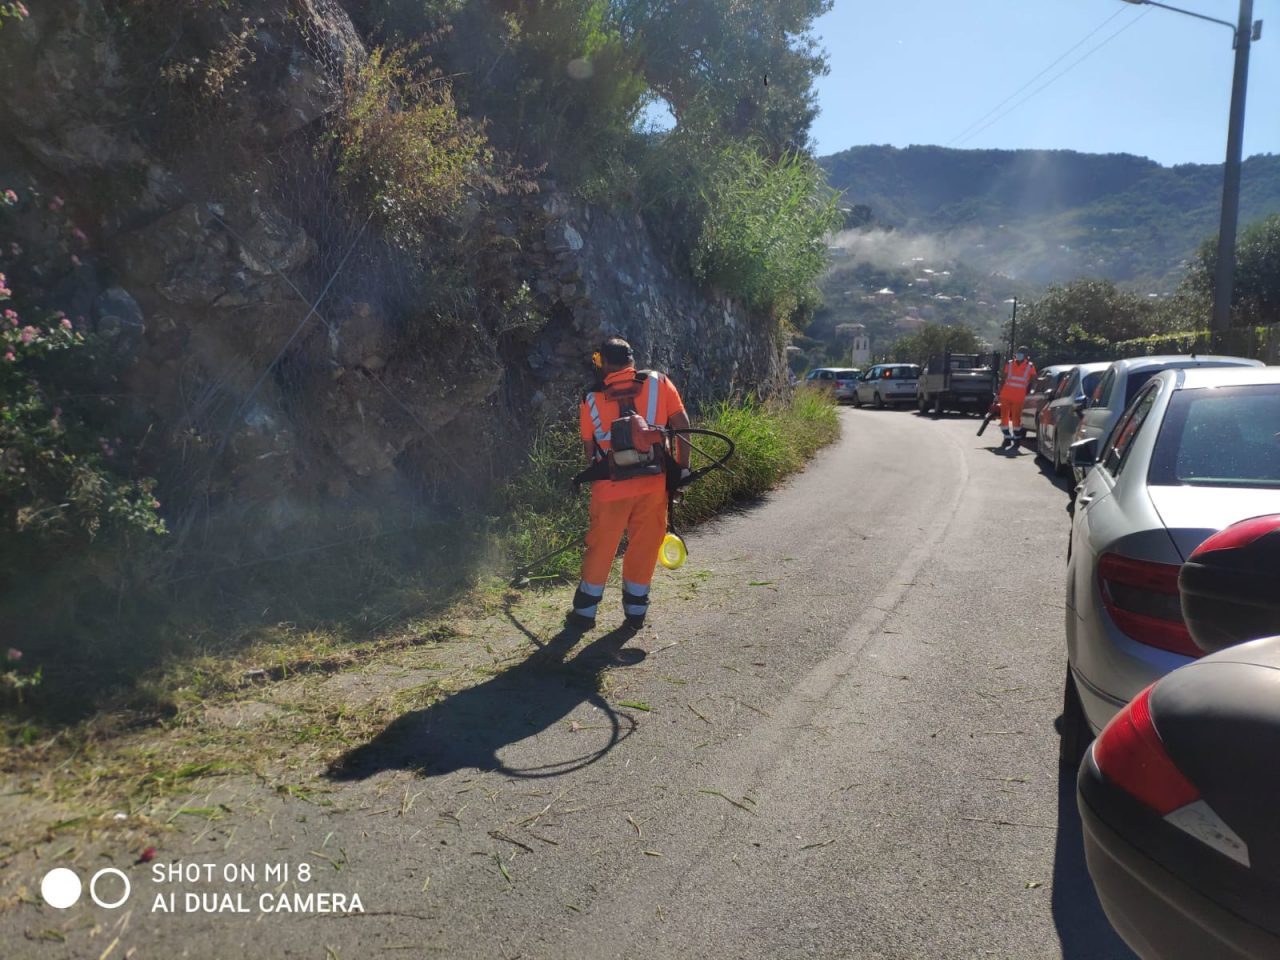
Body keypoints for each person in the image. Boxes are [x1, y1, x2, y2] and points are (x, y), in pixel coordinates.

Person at [568, 337, 690, 633]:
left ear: (604, 363)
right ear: (631, 361)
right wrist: (682, 469)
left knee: (601, 547)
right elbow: (682, 424)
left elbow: (590, 451)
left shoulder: (590, 399)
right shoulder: (660, 382)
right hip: (652, 486)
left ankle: (584, 613)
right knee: (645, 545)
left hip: (610, 488)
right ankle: (635, 611)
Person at [999, 346, 1036, 451]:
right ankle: (1007, 437)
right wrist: (998, 392)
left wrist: (1031, 392)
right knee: (1004, 418)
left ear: (1026, 356)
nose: (1019, 354)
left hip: (1019, 397)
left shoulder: (1030, 366)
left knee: (1016, 420)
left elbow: (1033, 380)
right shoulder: (1010, 364)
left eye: (1022, 353)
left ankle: (1016, 440)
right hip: (1006, 395)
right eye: (1018, 352)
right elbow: (1003, 378)